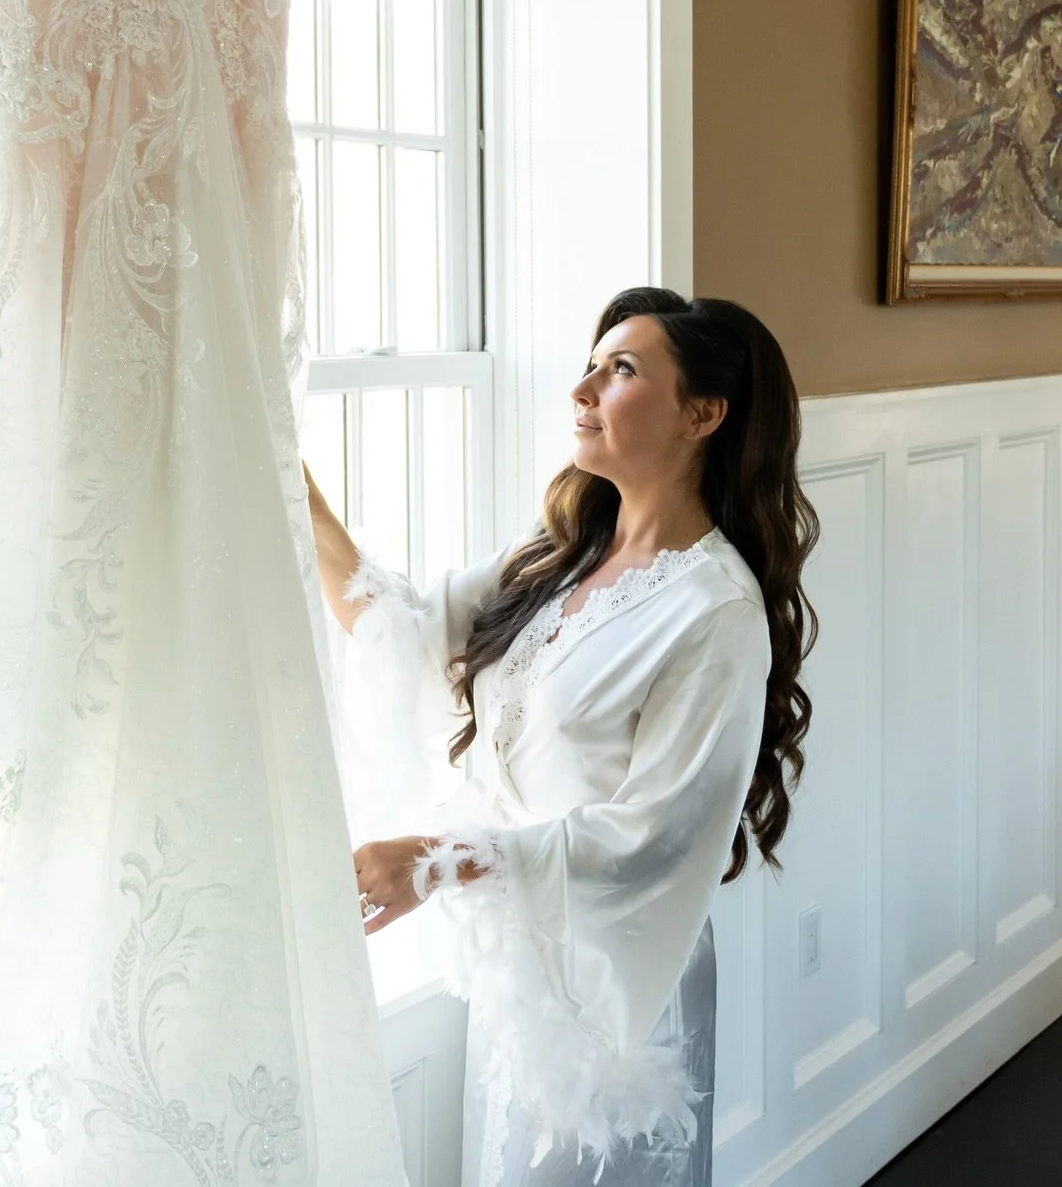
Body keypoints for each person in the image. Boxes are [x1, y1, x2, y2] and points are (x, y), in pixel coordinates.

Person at [306, 287, 818, 1187]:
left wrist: (437, 859)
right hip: (519, 966)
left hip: (621, 983)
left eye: (620, 369)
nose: (582, 389)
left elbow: (649, 836)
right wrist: (295, 489)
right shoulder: (557, 553)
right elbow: (408, 637)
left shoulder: (716, 613)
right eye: (591, 363)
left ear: (702, 414)